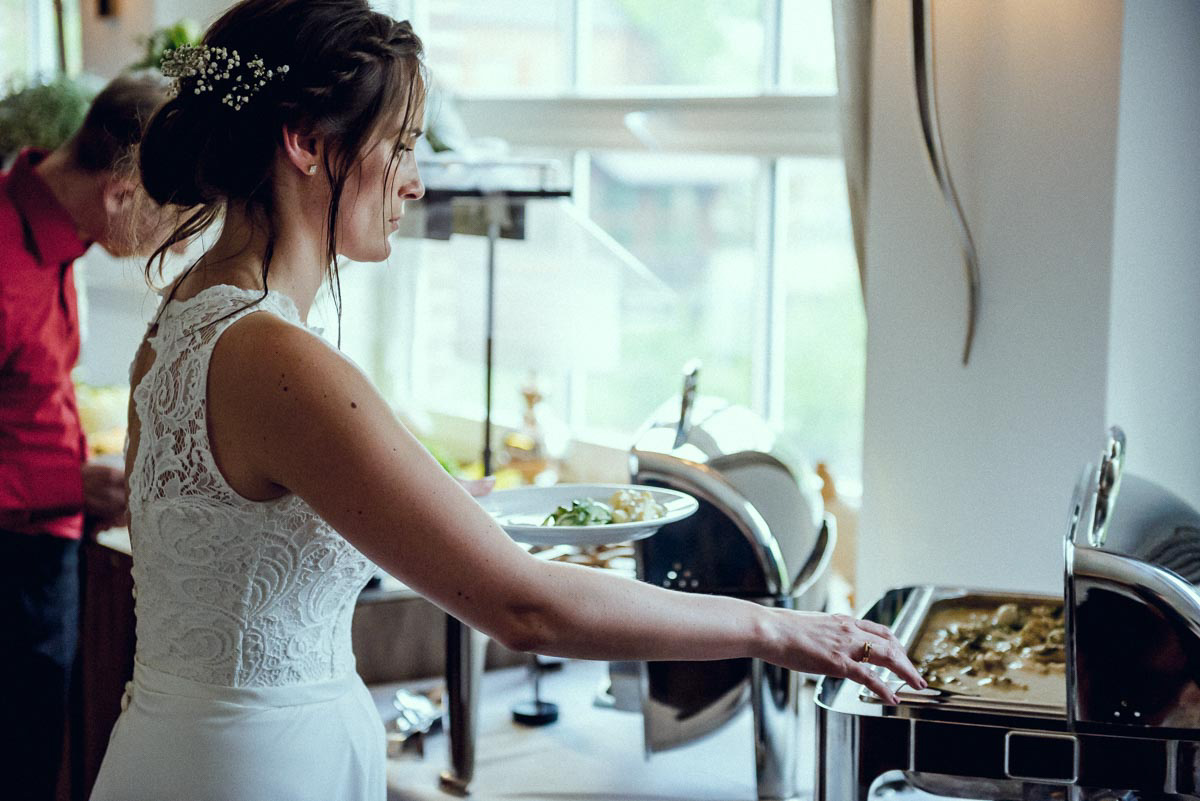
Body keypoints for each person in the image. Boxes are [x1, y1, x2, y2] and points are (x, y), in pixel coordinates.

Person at [90, 2, 925, 799]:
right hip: (258, 769)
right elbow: (524, 607)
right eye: (403, 144)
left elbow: (244, 555)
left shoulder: (185, 320)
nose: (415, 182)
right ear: (307, 143)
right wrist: (777, 630)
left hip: (187, 741)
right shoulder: (276, 355)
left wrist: (439, 506)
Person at [0, 72, 172, 801]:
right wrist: (66, 484)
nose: (176, 235)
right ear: (121, 192)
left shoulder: (52, 232)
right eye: (176, 211)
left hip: (45, 550)